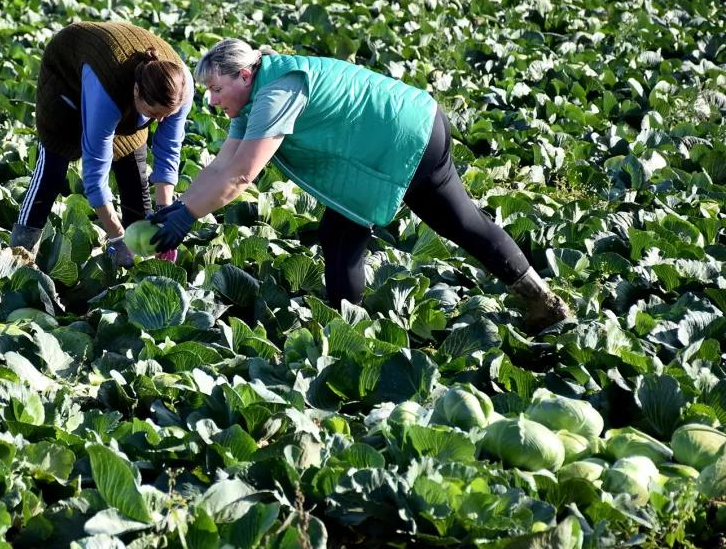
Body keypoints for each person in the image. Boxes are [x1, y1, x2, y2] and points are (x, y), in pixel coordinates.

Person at [148, 39, 571, 333]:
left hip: (403, 140)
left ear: (243, 75)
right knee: (458, 222)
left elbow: (242, 175)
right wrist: (181, 208)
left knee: (346, 235)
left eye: (216, 89)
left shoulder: (276, 93)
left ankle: (348, 336)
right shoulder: (256, 94)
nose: (212, 100)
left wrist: (188, 218)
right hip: (417, 123)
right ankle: (541, 300)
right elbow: (223, 165)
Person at [10, 21, 194, 267]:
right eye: (154, 113)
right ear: (136, 91)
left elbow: (168, 150)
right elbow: (95, 177)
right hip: (67, 81)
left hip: (123, 87)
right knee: (51, 173)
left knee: (134, 175)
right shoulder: (107, 95)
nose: (159, 120)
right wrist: (118, 237)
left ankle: (140, 266)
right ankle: (19, 255)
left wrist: (164, 214)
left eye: (165, 115)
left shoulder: (180, 90)